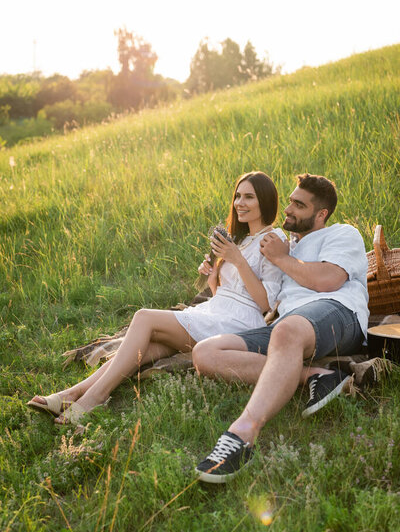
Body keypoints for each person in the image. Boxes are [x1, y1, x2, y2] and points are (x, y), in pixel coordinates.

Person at [28, 171, 286, 425]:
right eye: (238, 196)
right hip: (216, 312)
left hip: (240, 324)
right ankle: (71, 394)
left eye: (249, 197)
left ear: (265, 200)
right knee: (144, 347)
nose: (240, 203)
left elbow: (265, 305)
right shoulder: (240, 240)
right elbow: (227, 295)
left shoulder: (273, 239)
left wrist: (236, 261)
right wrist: (213, 279)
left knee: (144, 318)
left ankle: (95, 397)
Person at [193, 173, 369, 483]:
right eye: (289, 201)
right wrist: (216, 275)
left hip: (339, 314)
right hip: (288, 326)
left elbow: (328, 279)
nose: (288, 209)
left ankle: (241, 434)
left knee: (287, 330)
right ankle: (319, 377)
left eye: (298, 205)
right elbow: (265, 301)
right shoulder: (286, 244)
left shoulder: (342, 233)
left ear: (321, 214)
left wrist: (280, 257)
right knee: (205, 352)